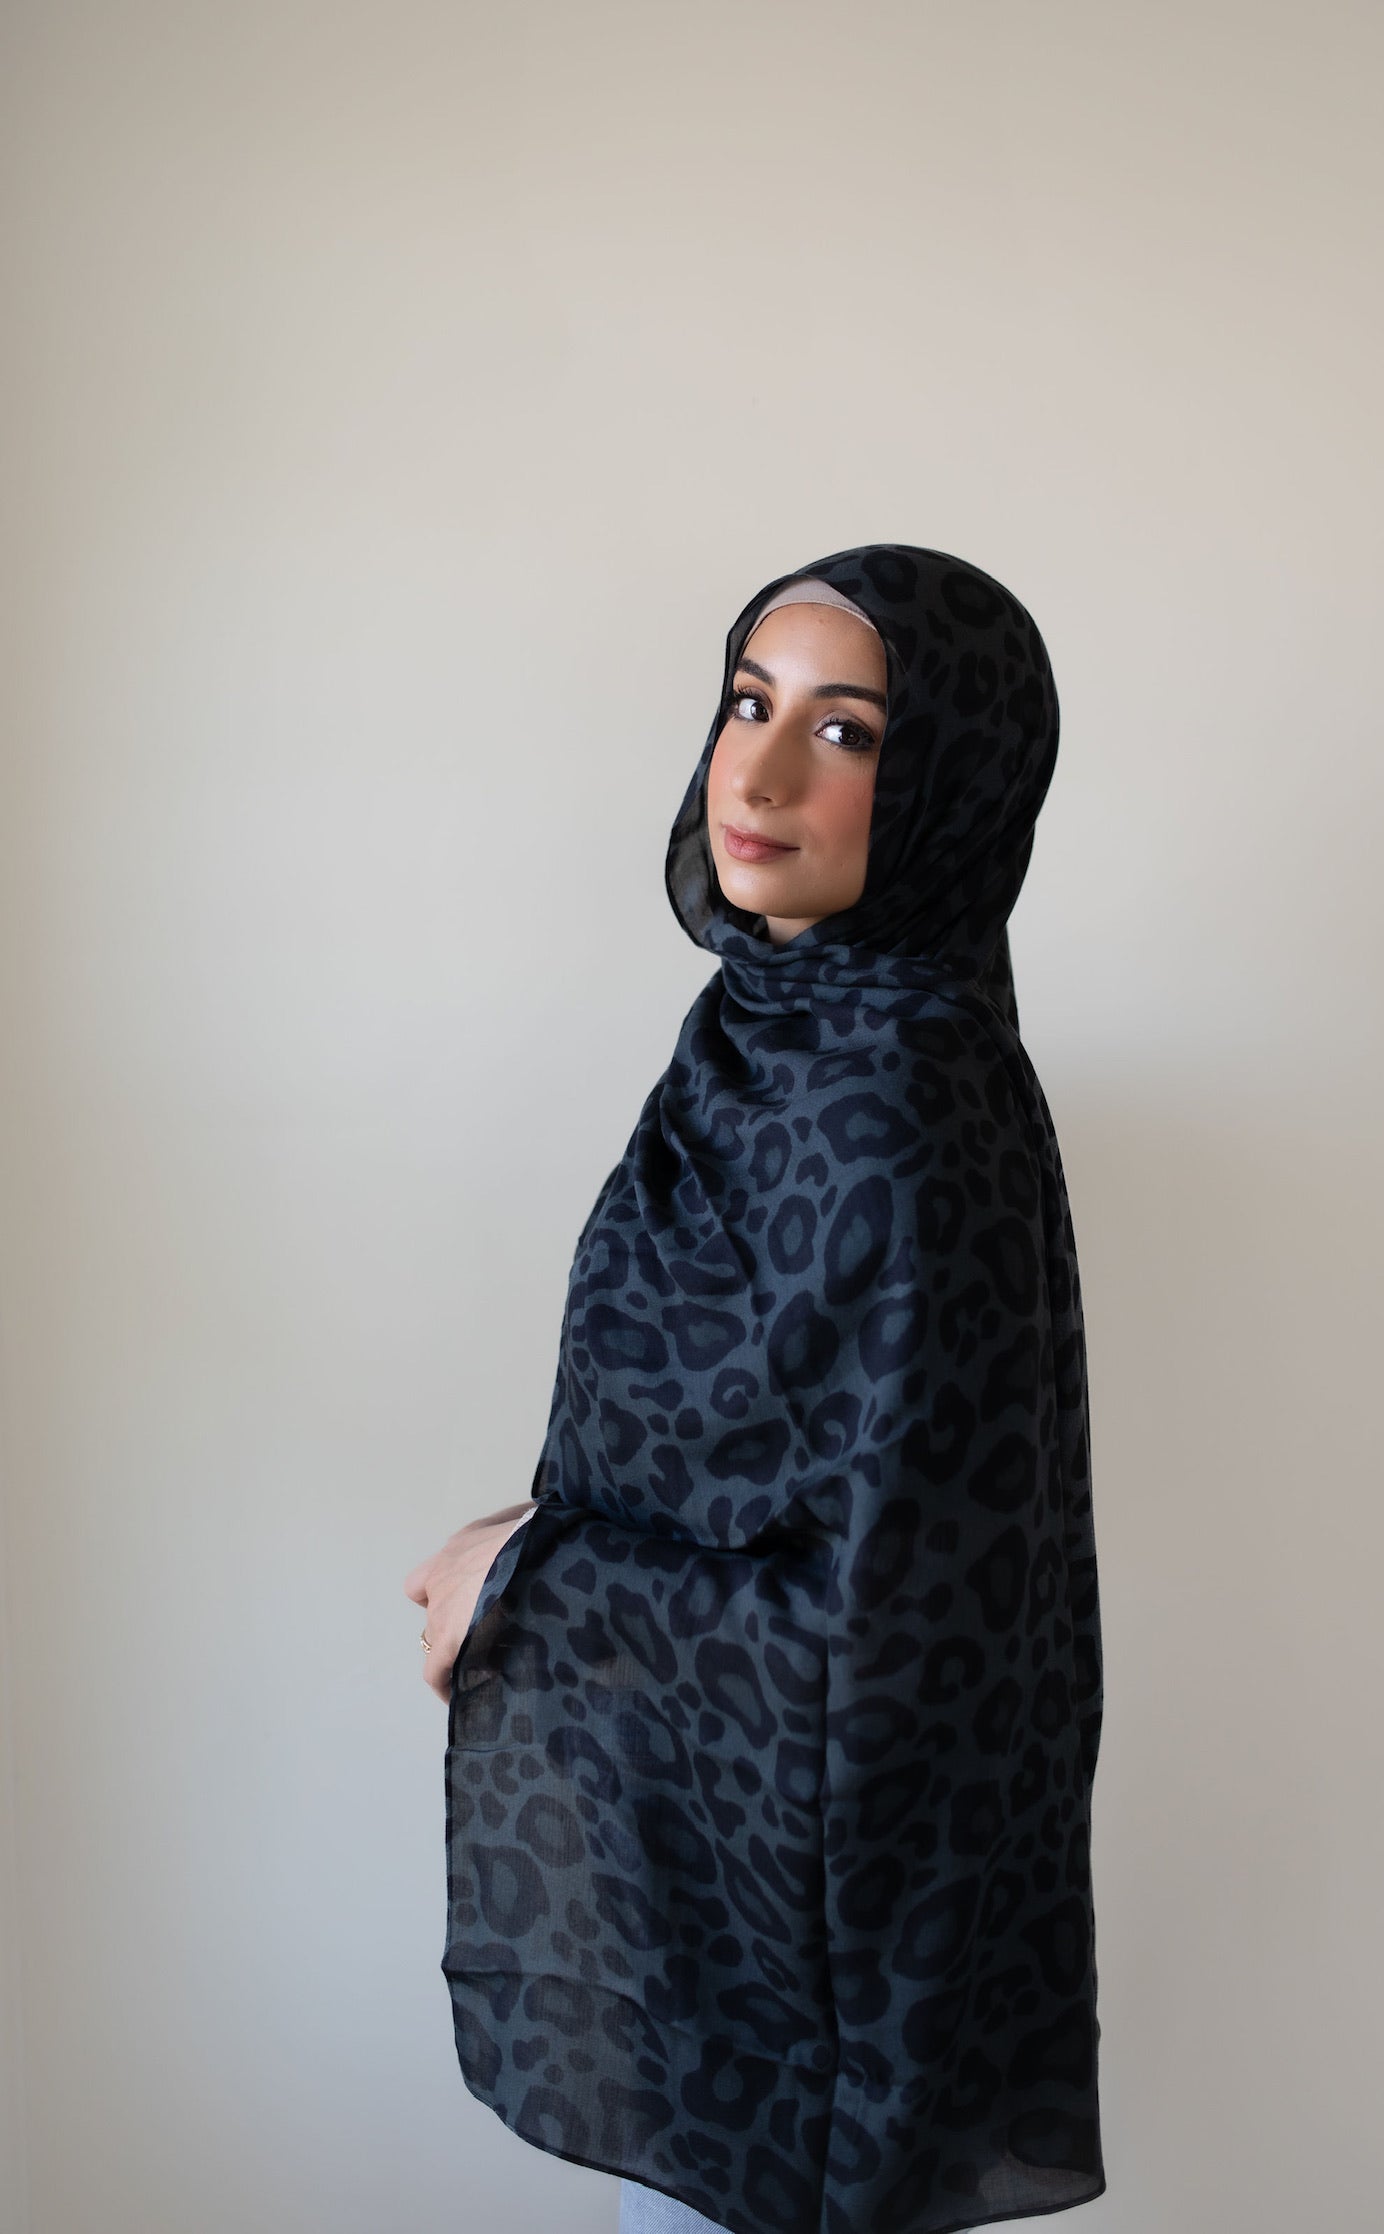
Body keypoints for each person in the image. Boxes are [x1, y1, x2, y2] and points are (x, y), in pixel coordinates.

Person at [405, 546, 1105, 2234]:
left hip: (813, 1991)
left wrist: (530, 1580)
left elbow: (900, 1634)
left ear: (949, 785)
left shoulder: (897, 1102)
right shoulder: (765, 1037)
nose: (762, 770)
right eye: (746, 702)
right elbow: (740, 1474)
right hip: (707, 1895)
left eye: (846, 730)